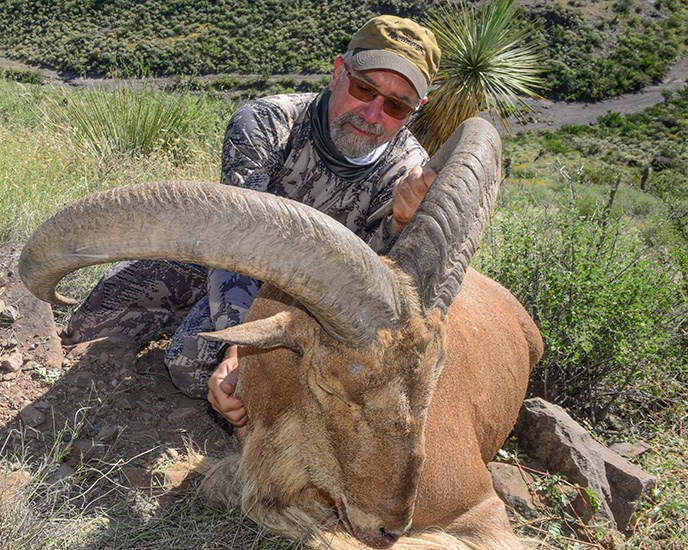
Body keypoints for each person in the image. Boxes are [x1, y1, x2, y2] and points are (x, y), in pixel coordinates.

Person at [61, 15, 441, 427]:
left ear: (413, 112)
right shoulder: (266, 123)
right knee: (94, 319)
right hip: (234, 261)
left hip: (312, 305)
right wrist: (240, 346)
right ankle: (190, 318)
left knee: (190, 365)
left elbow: (383, 298)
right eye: (364, 87)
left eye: (396, 105)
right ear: (338, 73)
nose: (372, 112)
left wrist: (403, 224)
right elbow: (236, 244)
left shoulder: (410, 176)